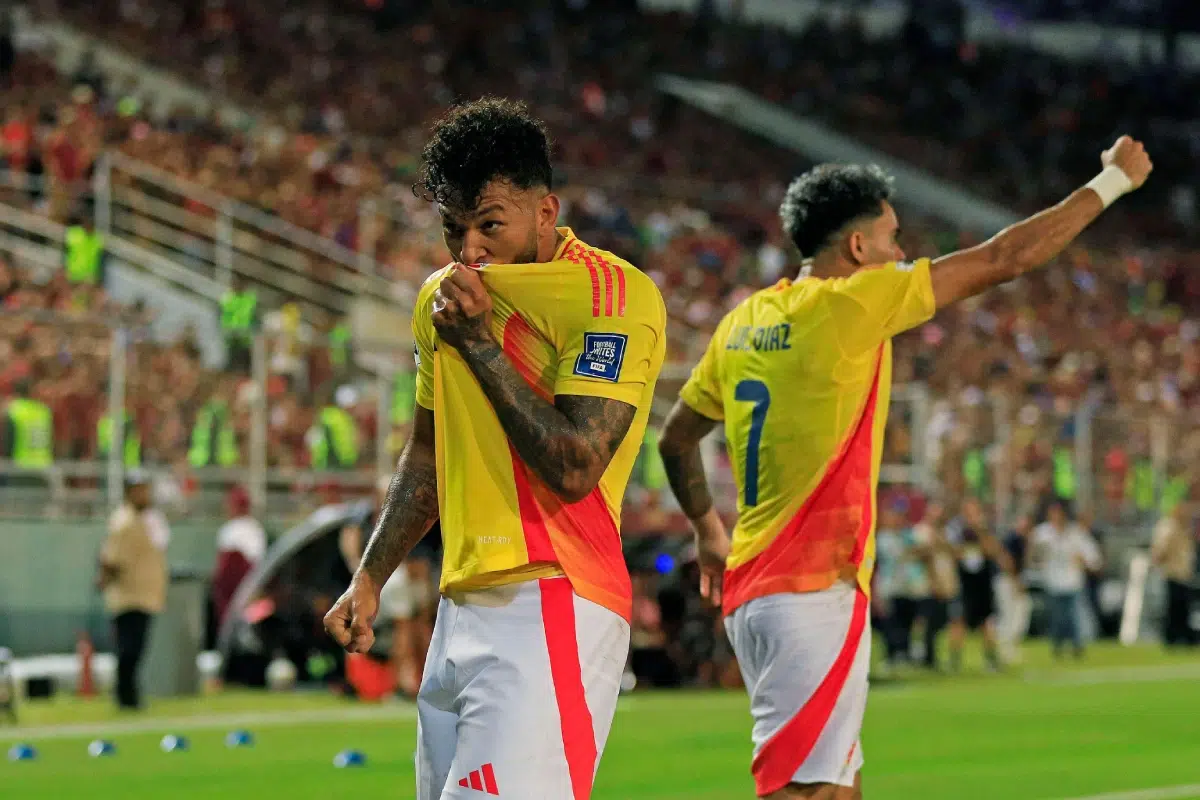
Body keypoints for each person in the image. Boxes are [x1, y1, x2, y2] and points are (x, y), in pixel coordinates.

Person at [657, 136, 1152, 798]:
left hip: (759, 587)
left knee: (843, 782)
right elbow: (1007, 257)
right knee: (806, 793)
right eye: (892, 238)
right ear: (857, 249)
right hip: (809, 593)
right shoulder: (854, 301)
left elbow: (676, 440)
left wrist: (706, 531)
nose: (903, 254)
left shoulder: (744, 321)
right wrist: (1113, 182)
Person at [323, 98, 666, 800]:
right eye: (455, 230)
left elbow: (575, 466)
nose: (470, 250)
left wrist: (480, 347)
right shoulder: (437, 302)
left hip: (554, 600)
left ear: (546, 212)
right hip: (459, 608)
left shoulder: (610, 296)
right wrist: (370, 576)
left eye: (489, 225)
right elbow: (426, 457)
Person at [96, 470, 169, 710]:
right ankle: (125, 696)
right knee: (129, 649)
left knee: (137, 648)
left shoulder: (149, 519)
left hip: (146, 594)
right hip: (128, 595)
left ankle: (130, 694)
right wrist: (105, 579)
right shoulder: (123, 521)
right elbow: (110, 558)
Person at [1032, 501, 1102, 660]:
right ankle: (1057, 646)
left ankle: (1077, 646)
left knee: (1074, 616)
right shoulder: (1042, 534)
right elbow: (1033, 558)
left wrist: (1084, 561)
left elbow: (1093, 558)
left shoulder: (1076, 533)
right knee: (1057, 617)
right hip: (1052, 581)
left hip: (1072, 581)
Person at [1151, 500, 1196, 646]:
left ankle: (1183, 636)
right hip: (1172, 573)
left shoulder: (1184, 527)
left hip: (1184, 573)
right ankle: (1171, 638)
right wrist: (1158, 559)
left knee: (1183, 607)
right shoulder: (1168, 526)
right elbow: (1160, 549)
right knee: (1174, 607)